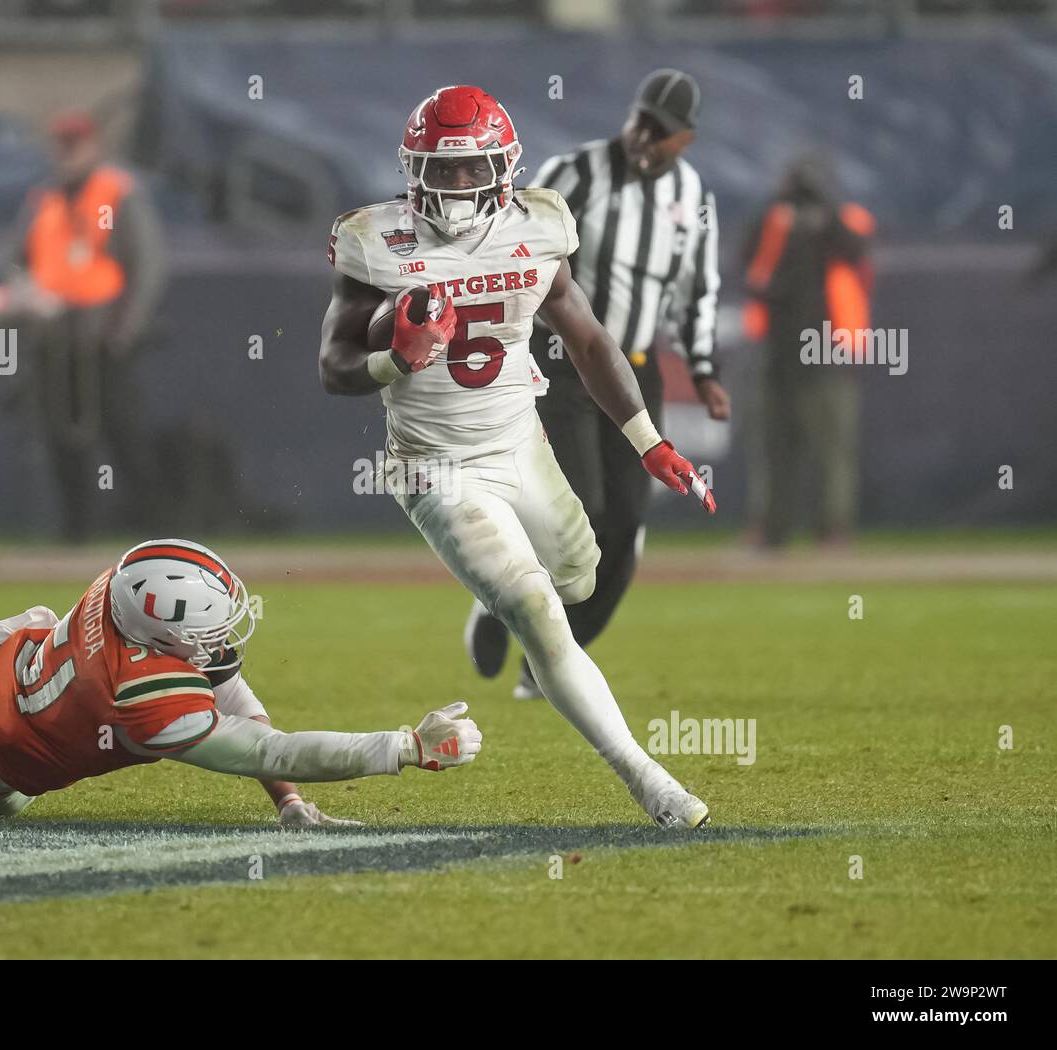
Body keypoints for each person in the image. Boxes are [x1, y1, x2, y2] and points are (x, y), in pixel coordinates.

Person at [319, 85, 714, 829]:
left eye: (474, 170)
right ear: (414, 168)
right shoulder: (376, 239)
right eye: (444, 168)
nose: (459, 185)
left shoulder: (539, 224)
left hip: (519, 440)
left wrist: (649, 441)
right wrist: (391, 361)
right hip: (434, 463)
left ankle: (493, 589)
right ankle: (650, 782)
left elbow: (590, 339)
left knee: (578, 575)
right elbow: (333, 363)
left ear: (504, 167)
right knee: (537, 610)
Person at [0, 538, 482, 822]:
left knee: (35, 622)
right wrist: (404, 748)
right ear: (159, 630)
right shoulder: (140, 694)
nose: (224, 635)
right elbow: (268, 748)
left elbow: (234, 699)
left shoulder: (120, 588)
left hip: (12, 662)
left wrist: (287, 804)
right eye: (208, 625)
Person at [469, 68, 730, 699]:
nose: (644, 137)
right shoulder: (575, 174)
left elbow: (696, 291)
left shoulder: (693, 196)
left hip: (632, 369)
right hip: (562, 361)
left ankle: (548, 659)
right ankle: (499, 597)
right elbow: (511, 244)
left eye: (660, 132)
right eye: (640, 120)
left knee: (625, 529)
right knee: (578, 504)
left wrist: (703, 369)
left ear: (686, 140)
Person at [9, 110, 166, 542]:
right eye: (61, 144)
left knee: (121, 432)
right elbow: (17, 261)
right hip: (55, 338)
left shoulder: (117, 192)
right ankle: (74, 532)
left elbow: (147, 264)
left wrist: (124, 329)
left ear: (93, 145)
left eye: (75, 143)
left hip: (102, 337)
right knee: (60, 435)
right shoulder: (44, 199)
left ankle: (154, 531)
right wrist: (26, 295)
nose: (67, 153)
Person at [741, 151, 873, 548]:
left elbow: (854, 250)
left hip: (826, 348)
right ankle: (770, 529)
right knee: (772, 442)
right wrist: (785, 217)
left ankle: (832, 530)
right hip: (777, 348)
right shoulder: (774, 219)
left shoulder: (845, 218)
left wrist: (824, 210)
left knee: (832, 445)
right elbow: (752, 270)